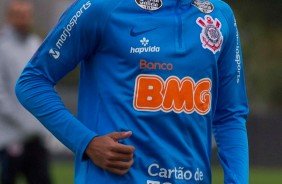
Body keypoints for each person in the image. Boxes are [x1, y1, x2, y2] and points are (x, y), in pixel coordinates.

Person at [15, 0, 249, 183]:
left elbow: (229, 116)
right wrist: (86, 142)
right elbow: (32, 82)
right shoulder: (102, 7)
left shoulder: (219, 15)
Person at [0, 0, 51, 183]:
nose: (23, 19)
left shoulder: (35, 43)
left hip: (35, 136)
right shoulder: (2, 47)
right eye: (18, 15)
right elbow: (2, 96)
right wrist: (25, 122)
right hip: (10, 138)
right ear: (9, 17)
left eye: (26, 14)